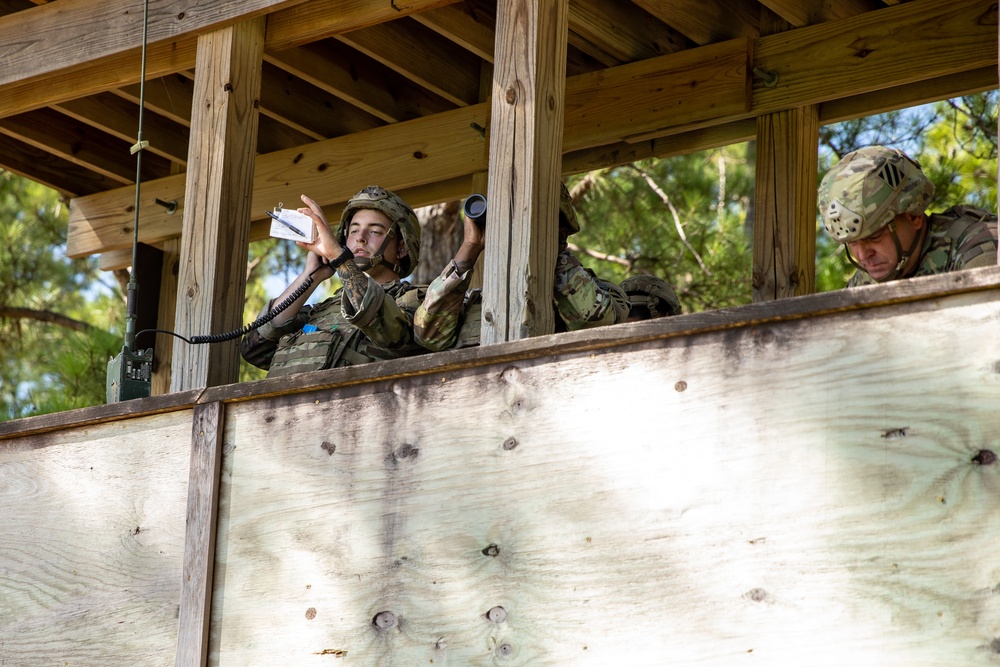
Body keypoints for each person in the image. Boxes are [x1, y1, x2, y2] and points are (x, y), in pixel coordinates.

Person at [414, 181, 630, 351]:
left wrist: (552, 251)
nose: (512, 229)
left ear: (561, 234)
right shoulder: (474, 301)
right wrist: (470, 247)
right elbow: (430, 337)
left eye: (525, 219)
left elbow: (594, 323)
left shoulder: (603, 293)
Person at [241, 185, 427, 377]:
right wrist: (311, 275)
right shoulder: (320, 312)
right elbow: (255, 349)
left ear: (402, 248)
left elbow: (394, 335)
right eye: (354, 231)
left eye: (375, 232)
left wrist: (339, 258)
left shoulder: (419, 302)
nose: (360, 239)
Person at [818, 145, 997, 287]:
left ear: (913, 216)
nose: (863, 255)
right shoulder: (864, 282)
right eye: (853, 243)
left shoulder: (979, 248)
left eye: (874, 236)